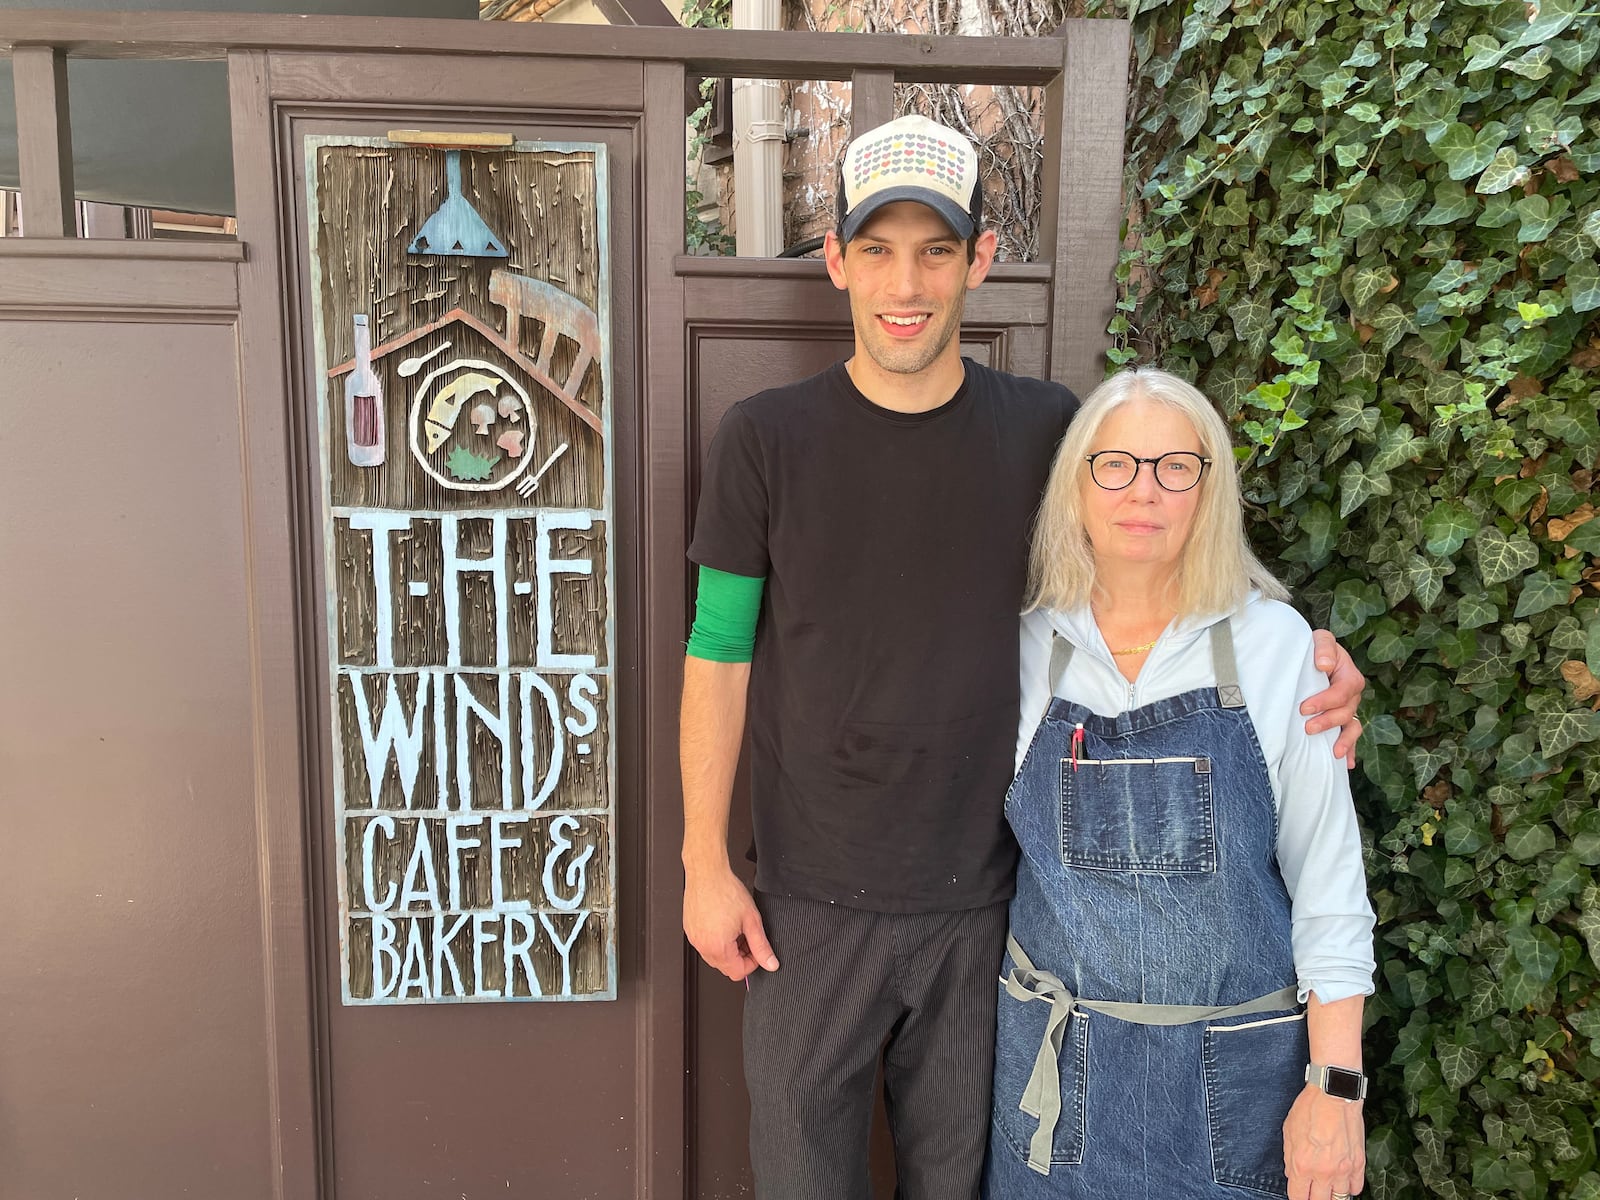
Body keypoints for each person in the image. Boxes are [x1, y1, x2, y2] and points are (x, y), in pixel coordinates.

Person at [679, 115, 1367, 1200]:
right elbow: (717, 653)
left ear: (979, 261)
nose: (906, 282)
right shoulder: (765, 439)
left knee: (959, 1183)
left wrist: (1304, 658)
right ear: (836, 261)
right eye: (877, 248)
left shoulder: (1049, 433)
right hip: (803, 911)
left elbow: (1160, 554)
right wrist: (703, 864)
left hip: (990, 917)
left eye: (936, 250)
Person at [984, 367, 1375, 1200]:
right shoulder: (1019, 648)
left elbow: (1330, 886)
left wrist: (1337, 1088)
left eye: (1176, 467)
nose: (1144, 492)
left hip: (1237, 1093)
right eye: (1115, 464)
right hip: (1055, 1089)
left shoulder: (1274, 648)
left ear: (1209, 487)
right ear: (1077, 486)